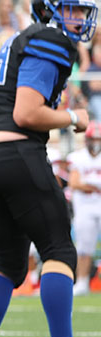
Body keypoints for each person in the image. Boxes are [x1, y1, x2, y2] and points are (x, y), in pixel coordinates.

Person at [67, 125, 101, 295]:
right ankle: (81, 281)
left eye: (98, 139)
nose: (96, 143)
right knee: (84, 248)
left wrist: (89, 184)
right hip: (85, 208)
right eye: (93, 139)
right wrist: (93, 186)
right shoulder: (78, 157)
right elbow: (74, 183)